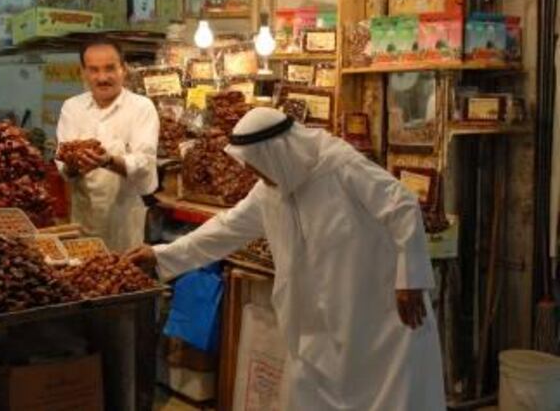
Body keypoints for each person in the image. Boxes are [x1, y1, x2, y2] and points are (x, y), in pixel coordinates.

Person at [127, 107, 445, 410]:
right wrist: (159, 255)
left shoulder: (339, 165)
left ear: (276, 153)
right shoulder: (273, 188)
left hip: (378, 316)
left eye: (256, 166)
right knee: (314, 391)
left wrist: (411, 280)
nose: (254, 174)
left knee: (389, 397)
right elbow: (226, 229)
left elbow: (403, 206)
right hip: (317, 323)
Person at [56, 39, 160, 252]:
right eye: (94, 70)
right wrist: (74, 164)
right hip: (83, 221)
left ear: (124, 69)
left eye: (110, 68)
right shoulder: (72, 108)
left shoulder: (141, 108)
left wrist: (109, 161)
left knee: (124, 277)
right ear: (83, 73)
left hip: (125, 227)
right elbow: (65, 167)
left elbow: (144, 162)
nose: (102, 78)